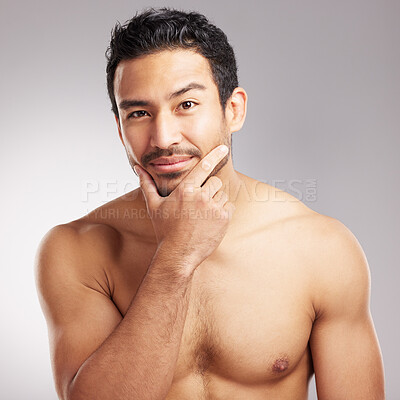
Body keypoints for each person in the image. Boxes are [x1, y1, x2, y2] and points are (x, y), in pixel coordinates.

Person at [35, 7, 385, 400]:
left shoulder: (322, 248)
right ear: (119, 128)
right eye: (138, 113)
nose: (163, 137)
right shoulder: (77, 250)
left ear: (233, 109)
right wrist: (175, 258)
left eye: (186, 105)